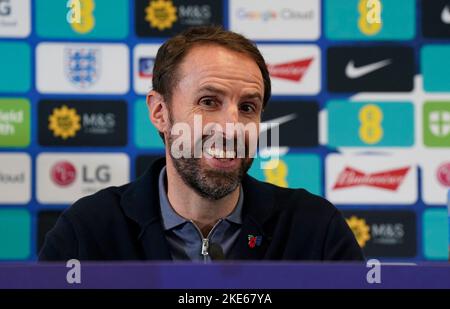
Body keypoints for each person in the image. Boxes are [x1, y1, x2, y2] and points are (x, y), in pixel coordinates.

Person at [39, 26, 364, 262]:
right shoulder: (88, 231)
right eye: (208, 102)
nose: (231, 127)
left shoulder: (315, 229)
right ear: (159, 112)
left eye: (248, 108)